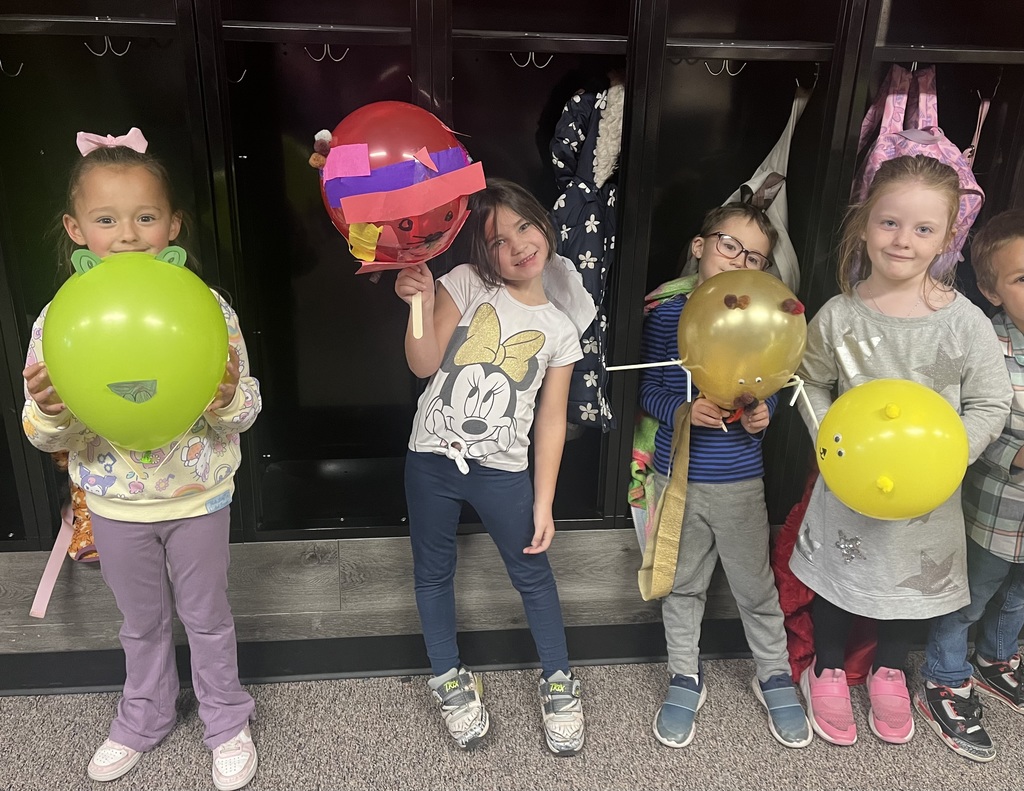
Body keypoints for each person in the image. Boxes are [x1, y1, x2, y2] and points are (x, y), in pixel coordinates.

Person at [21, 129, 261, 790]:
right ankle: (144, 715)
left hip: (199, 496)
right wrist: (52, 409)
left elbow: (246, 412)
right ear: (76, 229)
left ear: (173, 224)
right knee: (141, 623)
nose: (127, 234)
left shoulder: (207, 308)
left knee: (208, 617)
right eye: (106, 219)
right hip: (114, 501)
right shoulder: (59, 320)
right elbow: (44, 436)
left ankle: (225, 717)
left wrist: (226, 396)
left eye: (145, 216)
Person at [790, 154, 1011, 748]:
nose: (903, 241)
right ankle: (828, 667)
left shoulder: (964, 322)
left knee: (910, 585)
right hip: (850, 491)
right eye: (889, 223)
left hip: (927, 498)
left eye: (922, 229)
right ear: (864, 224)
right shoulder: (838, 316)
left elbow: (991, 403)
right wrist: (832, 444)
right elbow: (808, 383)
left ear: (947, 238)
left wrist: (948, 456)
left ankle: (891, 668)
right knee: (838, 578)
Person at [394, 178, 595, 755]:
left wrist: (544, 500)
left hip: (503, 471)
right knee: (432, 573)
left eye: (524, 228)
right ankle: (449, 681)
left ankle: (559, 680)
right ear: (484, 254)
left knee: (532, 572)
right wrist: (417, 303)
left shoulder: (561, 327)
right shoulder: (466, 283)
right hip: (430, 459)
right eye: (498, 241)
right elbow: (424, 361)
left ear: (545, 226)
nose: (518, 246)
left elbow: (552, 420)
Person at [639, 202, 812, 750]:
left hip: (740, 481)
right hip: (680, 477)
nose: (738, 259)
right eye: (728, 245)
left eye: (754, 257)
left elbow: (772, 386)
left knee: (754, 587)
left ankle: (773, 675)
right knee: (682, 585)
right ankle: (684, 676)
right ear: (700, 246)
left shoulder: (764, 319)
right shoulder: (666, 315)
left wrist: (764, 416)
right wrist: (682, 412)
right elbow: (644, 390)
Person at [917, 209, 1024, 762]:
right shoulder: (989, 346)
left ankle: (997, 658)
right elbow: (972, 421)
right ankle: (945, 676)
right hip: (992, 511)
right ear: (992, 290)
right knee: (970, 595)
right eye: (1022, 278)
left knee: (1018, 595)